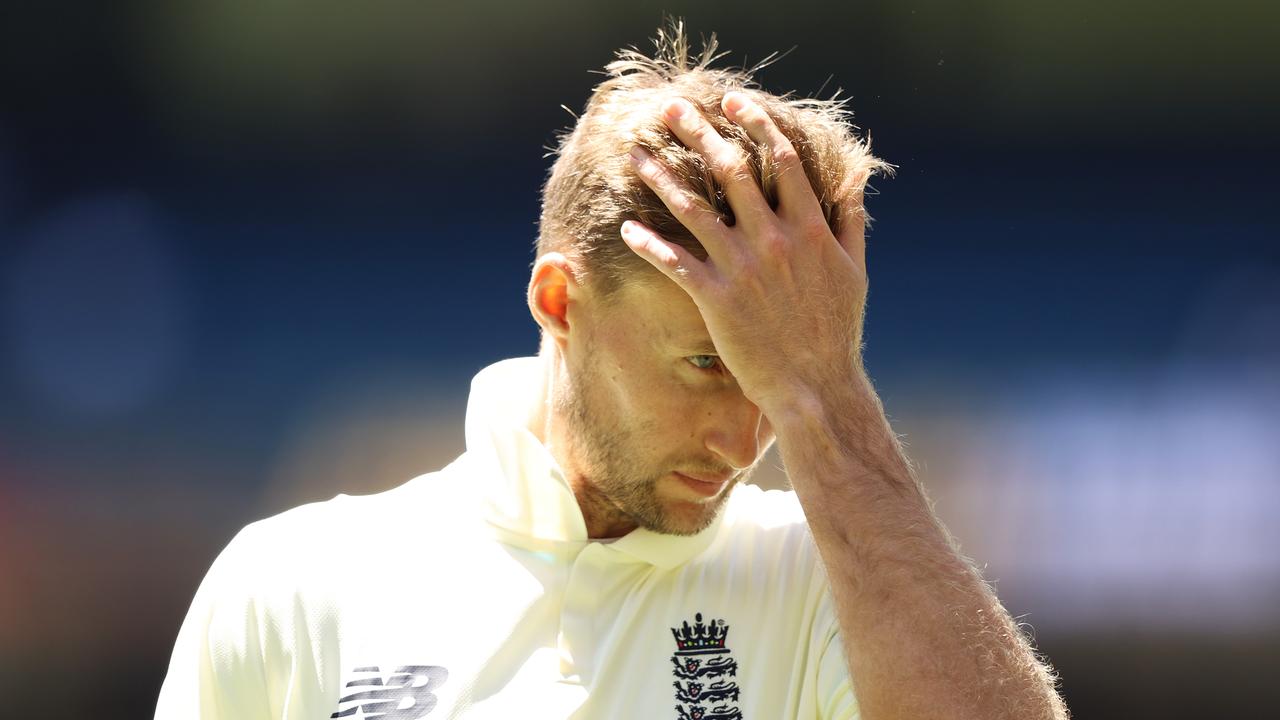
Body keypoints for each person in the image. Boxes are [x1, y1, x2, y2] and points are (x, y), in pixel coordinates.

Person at [156, 22, 1068, 720]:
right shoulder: (292, 585)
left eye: (775, 378)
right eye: (710, 364)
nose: (748, 439)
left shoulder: (835, 588)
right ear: (559, 304)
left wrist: (826, 393)